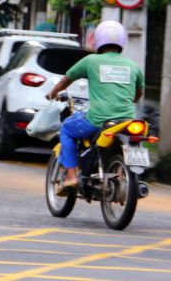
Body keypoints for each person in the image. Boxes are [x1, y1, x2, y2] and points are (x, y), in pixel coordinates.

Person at [44, 20, 144, 194]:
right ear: (122, 42)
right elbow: (138, 94)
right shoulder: (133, 66)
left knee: (67, 128)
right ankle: (119, 173)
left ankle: (72, 176)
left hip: (98, 120)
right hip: (127, 121)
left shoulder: (91, 61)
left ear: (99, 40)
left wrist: (52, 93)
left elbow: (66, 80)